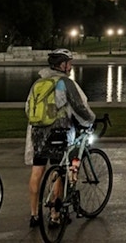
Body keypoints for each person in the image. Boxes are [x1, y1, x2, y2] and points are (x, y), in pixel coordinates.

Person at [25, 49, 96, 228]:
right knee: (60, 171)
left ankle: (34, 215)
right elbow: (79, 106)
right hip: (58, 132)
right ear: (63, 65)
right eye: (69, 63)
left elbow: (28, 108)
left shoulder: (38, 83)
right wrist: (90, 121)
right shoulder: (64, 83)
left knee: (37, 171)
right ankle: (55, 215)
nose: (71, 67)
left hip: (37, 132)